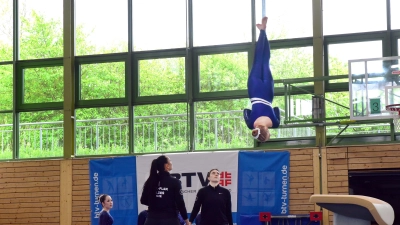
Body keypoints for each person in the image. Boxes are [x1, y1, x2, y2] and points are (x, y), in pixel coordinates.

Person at [243, 16, 281, 142]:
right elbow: (246, 111)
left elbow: (276, 109)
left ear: (268, 132)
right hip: (254, 90)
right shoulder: (250, 124)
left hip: (268, 92)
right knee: (258, 60)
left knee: (266, 61)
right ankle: (262, 31)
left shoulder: (275, 123)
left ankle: (263, 31)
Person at [140, 155, 190, 225]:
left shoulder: (150, 181)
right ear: (166, 165)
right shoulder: (175, 182)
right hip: (170, 220)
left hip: (151, 220)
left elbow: (143, 200)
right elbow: (180, 203)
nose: (171, 163)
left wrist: (157, 203)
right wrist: (187, 221)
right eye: (170, 161)